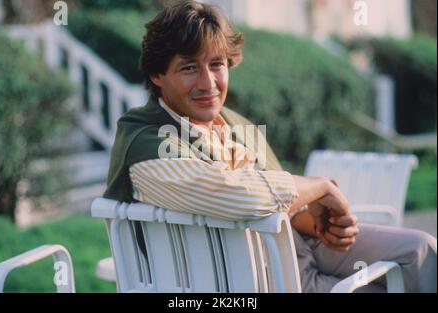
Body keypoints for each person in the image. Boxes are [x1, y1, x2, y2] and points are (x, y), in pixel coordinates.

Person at [104, 0, 436, 292]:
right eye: (189, 68)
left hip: (301, 247)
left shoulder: (232, 122)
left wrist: (321, 222)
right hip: (261, 279)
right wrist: (319, 186)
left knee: (422, 251)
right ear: (158, 75)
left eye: (217, 64)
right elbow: (237, 193)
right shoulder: (144, 141)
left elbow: (280, 198)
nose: (208, 84)